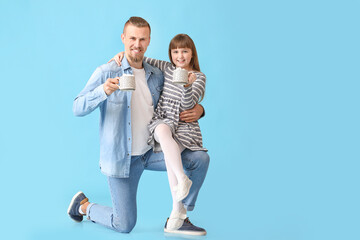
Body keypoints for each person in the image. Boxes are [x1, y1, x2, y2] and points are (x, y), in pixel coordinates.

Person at [67, 17, 209, 236]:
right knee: (124, 224)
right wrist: (103, 91)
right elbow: (77, 107)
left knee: (199, 159)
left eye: (142, 39)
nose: (137, 44)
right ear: (123, 38)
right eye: (132, 38)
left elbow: (174, 99)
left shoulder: (157, 74)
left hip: (151, 152)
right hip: (122, 160)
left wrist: (200, 109)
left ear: (149, 41)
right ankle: (84, 206)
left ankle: (178, 216)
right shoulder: (108, 72)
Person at [110, 33, 207, 231]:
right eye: (175, 51)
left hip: (183, 126)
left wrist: (187, 86)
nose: (180, 56)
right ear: (171, 54)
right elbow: (140, 57)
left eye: (184, 51)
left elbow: (188, 105)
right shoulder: (167, 68)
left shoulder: (198, 77)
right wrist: (122, 54)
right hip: (164, 118)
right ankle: (182, 180)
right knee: (162, 132)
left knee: (174, 156)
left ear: (192, 53)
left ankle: (177, 209)